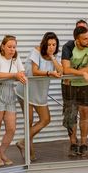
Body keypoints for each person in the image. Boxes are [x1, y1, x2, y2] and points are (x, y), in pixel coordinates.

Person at [0, 35, 26, 167]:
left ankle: (2, 152)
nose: (12, 49)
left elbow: (22, 72)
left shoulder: (16, 57)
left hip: (10, 91)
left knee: (11, 128)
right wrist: (14, 75)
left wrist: (17, 75)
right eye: (9, 46)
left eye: (14, 47)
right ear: (3, 46)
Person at [61, 19, 88, 148]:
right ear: (77, 40)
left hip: (85, 85)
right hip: (69, 85)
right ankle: (72, 142)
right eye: (85, 39)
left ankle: (84, 142)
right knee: (71, 114)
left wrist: (74, 72)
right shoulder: (68, 46)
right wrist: (82, 73)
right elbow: (65, 69)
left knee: (84, 112)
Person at [26, 32, 61, 162]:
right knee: (28, 122)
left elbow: (61, 71)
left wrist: (52, 58)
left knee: (45, 119)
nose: (51, 47)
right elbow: (34, 72)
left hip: (40, 92)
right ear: (44, 43)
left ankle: (23, 142)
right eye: (49, 44)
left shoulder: (53, 55)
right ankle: (29, 152)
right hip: (27, 91)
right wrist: (49, 73)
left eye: (54, 44)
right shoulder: (36, 51)